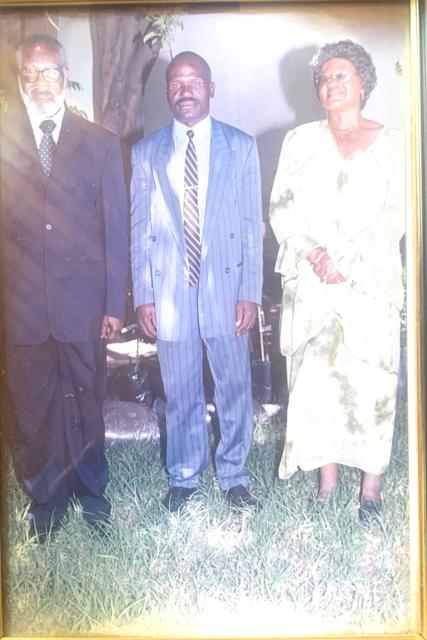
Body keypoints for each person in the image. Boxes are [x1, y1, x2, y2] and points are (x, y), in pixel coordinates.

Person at [269, 40, 404, 520]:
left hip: (369, 284)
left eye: (341, 75)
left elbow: (398, 215)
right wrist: (315, 254)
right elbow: (281, 208)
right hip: (313, 282)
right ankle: (326, 486)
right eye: (324, 78)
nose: (331, 84)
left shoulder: (395, 144)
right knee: (318, 385)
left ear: (363, 81)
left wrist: (348, 258)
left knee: (371, 384)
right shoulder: (299, 141)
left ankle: (371, 491)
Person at [0, 34, 128, 539]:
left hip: (83, 306)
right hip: (22, 308)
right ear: (18, 79)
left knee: (86, 400)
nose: (39, 84)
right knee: (33, 408)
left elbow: (114, 230)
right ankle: (46, 503)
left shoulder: (99, 143)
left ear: (65, 75)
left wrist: (113, 302)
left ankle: (92, 494)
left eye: (49, 72)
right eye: (28, 74)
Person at [131, 51, 262, 512]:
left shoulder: (241, 146)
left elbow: (250, 223)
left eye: (194, 81)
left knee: (233, 386)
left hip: (227, 290)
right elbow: (139, 228)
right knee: (180, 386)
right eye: (175, 83)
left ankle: (234, 475)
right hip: (170, 291)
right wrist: (144, 294)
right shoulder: (146, 152)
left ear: (211, 89)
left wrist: (250, 291)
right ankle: (183, 476)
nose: (184, 90)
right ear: (168, 92)